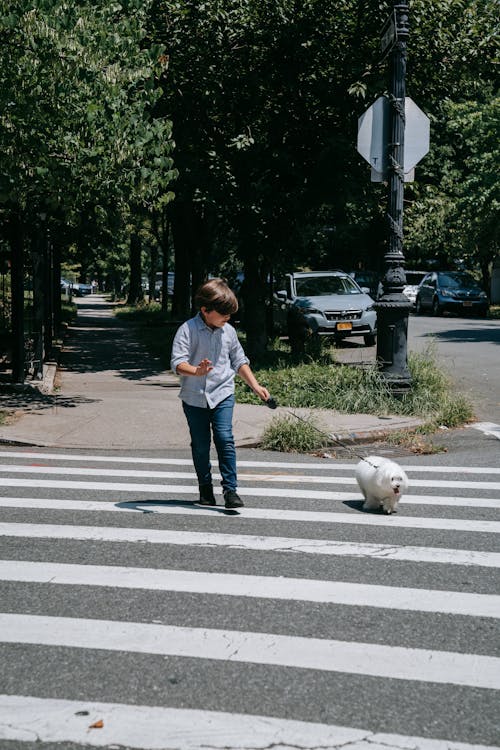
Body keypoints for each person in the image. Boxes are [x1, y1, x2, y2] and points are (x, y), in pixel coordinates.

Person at [170, 278, 270, 509]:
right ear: (205, 310)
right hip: (194, 397)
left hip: (223, 392)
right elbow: (177, 362)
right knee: (201, 445)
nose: (228, 318)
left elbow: (239, 360)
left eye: (230, 314)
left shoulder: (229, 331)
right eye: (223, 313)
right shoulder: (188, 329)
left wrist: (255, 385)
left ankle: (230, 490)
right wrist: (196, 370)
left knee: (225, 439)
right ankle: (205, 488)